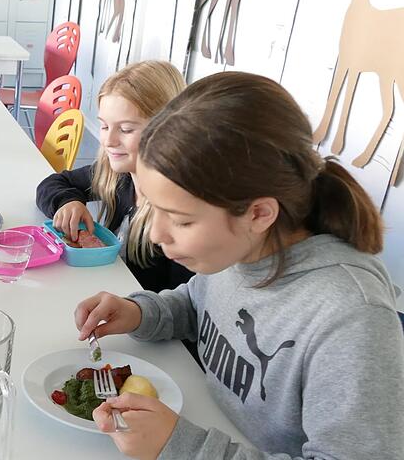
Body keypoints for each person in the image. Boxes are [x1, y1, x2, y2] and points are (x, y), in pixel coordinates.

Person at [75, 72, 404, 459]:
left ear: (259, 213)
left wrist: (186, 447)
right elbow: (199, 307)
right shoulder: (240, 251)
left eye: (181, 220)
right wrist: (139, 312)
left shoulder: (352, 318)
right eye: (154, 209)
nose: (158, 233)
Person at [37, 60, 193, 292]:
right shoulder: (117, 175)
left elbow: (181, 303)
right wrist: (68, 202)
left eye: (126, 129)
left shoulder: (183, 213)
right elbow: (53, 183)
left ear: (169, 129)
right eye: (104, 126)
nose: (109, 141)